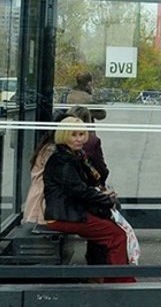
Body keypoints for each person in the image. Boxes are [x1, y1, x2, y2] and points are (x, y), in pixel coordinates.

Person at [42, 116, 137, 281]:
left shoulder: (73, 156)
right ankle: (119, 281)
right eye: (74, 135)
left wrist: (102, 194)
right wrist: (106, 200)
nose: (79, 139)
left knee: (110, 230)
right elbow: (79, 190)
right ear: (64, 136)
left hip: (69, 211)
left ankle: (104, 276)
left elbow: (92, 181)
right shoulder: (63, 161)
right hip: (66, 215)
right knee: (116, 235)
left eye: (82, 134)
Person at [68, 105, 111, 265]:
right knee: (105, 212)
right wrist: (102, 192)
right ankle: (97, 263)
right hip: (72, 201)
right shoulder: (91, 141)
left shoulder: (54, 141)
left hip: (58, 199)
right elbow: (101, 171)